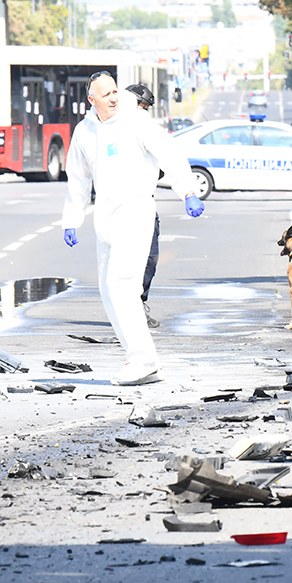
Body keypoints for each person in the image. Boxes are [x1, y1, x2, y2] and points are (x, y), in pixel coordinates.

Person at [62, 73, 204, 385]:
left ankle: (144, 360)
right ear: (92, 100)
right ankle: (140, 358)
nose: (113, 98)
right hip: (106, 216)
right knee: (107, 289)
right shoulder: (84, 131)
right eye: (105, 94)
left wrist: (188, 191)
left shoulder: (135, 121)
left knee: (122, 283)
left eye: (115, 91)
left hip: (136, 208)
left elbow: (170, 153)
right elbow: (78, 177)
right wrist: (72, 219)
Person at [123, 82, 165, 330]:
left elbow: (163, 162)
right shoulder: (112, 130)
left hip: (145, 204)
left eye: (146, 107)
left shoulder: (148, 129)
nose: (144, 111)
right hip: (121, 206)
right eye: (142, 105)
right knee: (125, 260)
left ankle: (138, 302)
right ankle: (126, 308)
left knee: (149, 258)